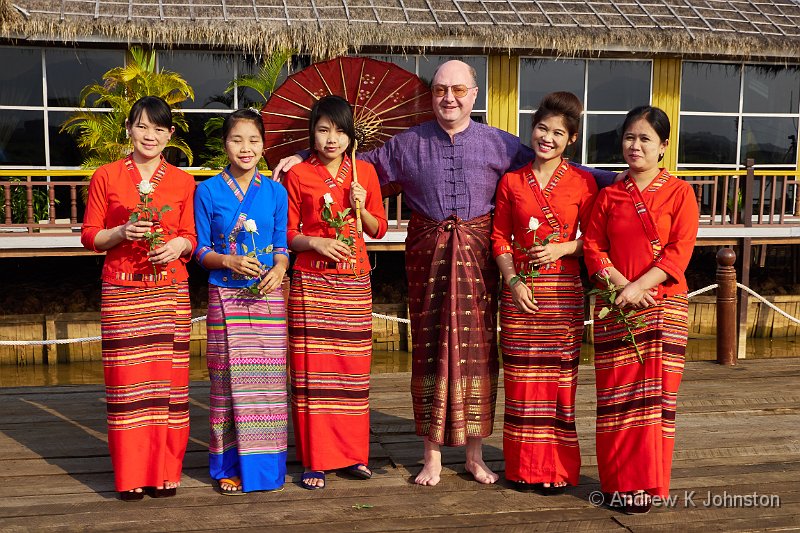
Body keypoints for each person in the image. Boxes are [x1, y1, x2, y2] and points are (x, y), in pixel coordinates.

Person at [274, 60, 616, 486]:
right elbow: (345, 163)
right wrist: (301, 156)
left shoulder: (502, 145)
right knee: (429, 348)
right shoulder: (406, 144)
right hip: (428, 259)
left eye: (458, 90)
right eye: (439, 90)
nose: (448, 98)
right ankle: (431, 455)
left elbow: (565, 167)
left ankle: (474, 455)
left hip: (478, 259)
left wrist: (626, 179)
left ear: (475, 95)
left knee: (478, 352)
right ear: (431, 95)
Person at [582, 106, 699, 513]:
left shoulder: (680, 193)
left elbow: (678, 253)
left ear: (663, 147)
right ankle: (617, 482)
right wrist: (622, 287)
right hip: (617, 307)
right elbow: (593, 248)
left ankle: (647, 484)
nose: (635, 146)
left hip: (663, 306)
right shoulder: (608, 196)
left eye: (646, 139)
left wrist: (638, 287)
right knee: (617, 398)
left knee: (655, 401)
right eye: (630, 137)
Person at [81, 96, 196, 501]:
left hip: (168, 291)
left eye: (159, 128)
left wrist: (179, 244)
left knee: (168, 386)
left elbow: (191, 236)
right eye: (142, 126)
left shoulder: (183, 181)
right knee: (127, 387)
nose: (150, 135)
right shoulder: (107, 176)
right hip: (123, 289)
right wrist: (120, 233)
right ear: (128, 128)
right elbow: (90, 235)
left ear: (170, 135)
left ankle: (166, 473)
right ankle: (130, 476)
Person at [491, 92, 597, 495]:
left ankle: (557, 469)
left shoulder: (583, 183)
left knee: (558, 382)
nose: (546, 138)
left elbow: (594, 239)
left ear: (571, 139)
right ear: (531, 129)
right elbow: (499, 238)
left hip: (563, 292)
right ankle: (521, 468)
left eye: (557, 132)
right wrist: (513, 281)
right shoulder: (512, 181)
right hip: (519, 293)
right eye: (541, 128)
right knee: (520, 379)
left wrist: (563, 247)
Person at [284, 95, 388, 490]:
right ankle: (315, 458)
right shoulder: (297, 175)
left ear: (350, 135)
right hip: (312, 280)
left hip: (354, 280)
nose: (331, 139)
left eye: (340, 131)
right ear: (312, 131)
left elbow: (378, 230)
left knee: (352, 371)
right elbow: (288, 235)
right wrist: (315, 243)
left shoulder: (365, 173)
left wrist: (361, 208)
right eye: (324, 129)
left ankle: (353, 456)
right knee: (313, 371)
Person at [194, 109, 289, 495]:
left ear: (264, 146)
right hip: (225, 295)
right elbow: (199, 250)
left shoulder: (275, 192)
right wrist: (228, 260)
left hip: (268, 295)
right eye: (237, 140)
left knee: (267, 384)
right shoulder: (207, 191)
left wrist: (281, 268)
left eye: (253, 140)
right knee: (227, 384)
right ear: (224, 145)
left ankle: (266, 469)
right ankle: (228, 467)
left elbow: (282, 245)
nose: (245, 148)